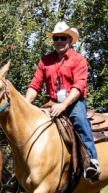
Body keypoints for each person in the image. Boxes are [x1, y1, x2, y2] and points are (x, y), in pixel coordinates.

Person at [26, 22, 102, 181]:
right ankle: (23, 171)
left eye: (63, 38)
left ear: (70, 40)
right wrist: (26, 104)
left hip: (73, 102)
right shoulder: (45, 61)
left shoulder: (79, 60)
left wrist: (64, 105)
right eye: (56, 38)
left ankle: (91, 162)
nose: (59, 41)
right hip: (51, 103)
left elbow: (78, 86)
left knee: (79, 120)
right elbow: (35, 85)